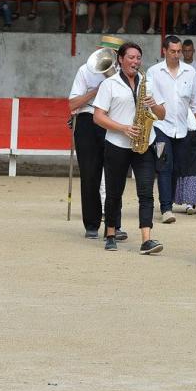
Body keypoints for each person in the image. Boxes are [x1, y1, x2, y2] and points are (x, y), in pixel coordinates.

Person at [91, 41, 167, 255]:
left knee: (146, 192)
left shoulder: (148, 82)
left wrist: (153, 104)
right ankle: (111, 233)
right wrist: (123, 128)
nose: (135, 61)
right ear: (121, 60)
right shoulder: (110, 84)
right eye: (131, 57)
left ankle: (146, 239)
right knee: (115, 192)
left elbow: (162, 115)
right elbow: (98, 117)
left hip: (145, 142)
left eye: (138, 58)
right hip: (118, 144)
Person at [146, 35, 196, 225]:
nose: (176, 55)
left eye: (178, 51)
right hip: (160, 128)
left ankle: (169, 201)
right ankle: (166, 208)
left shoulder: (190, 72)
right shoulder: (153, 72)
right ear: (164, 51)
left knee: (176, 168)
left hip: (182, 129)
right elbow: (151, 99)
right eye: (172, 51)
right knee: (164, 165)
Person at [67, 35, 124, 239]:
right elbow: (73, 104)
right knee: (90, 175)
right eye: (105, 51)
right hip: (88, 121)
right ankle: (91, 224)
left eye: (113, 53)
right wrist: (97, 90)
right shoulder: (85, 70)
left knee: (115, 175)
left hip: (113, 122)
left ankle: (114, 224)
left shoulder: (125, 74)